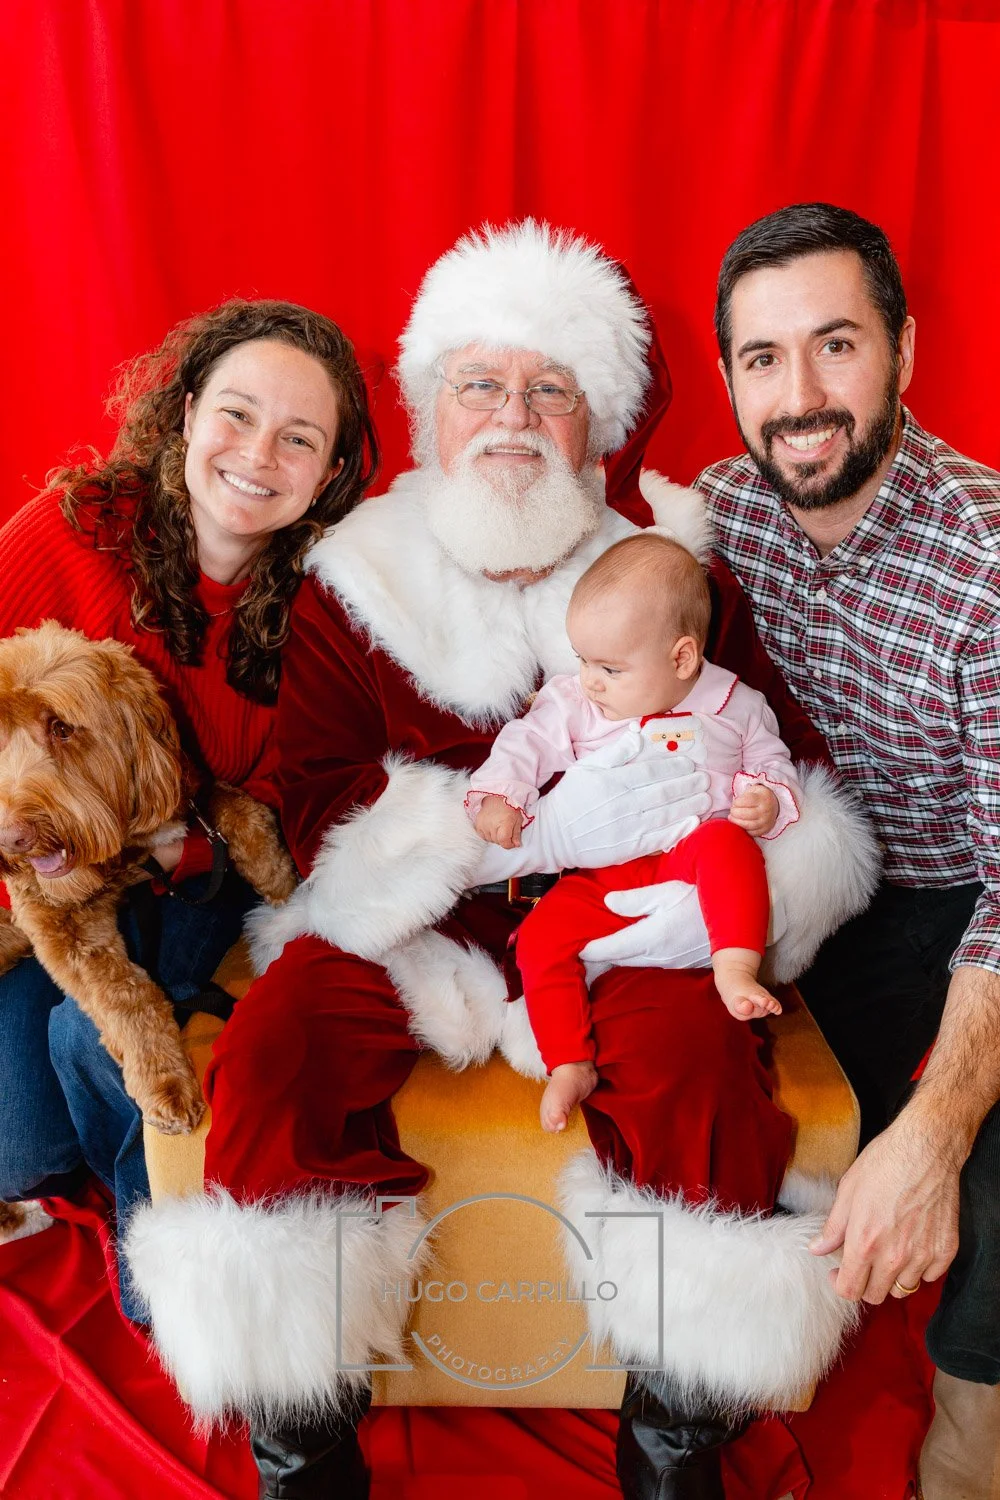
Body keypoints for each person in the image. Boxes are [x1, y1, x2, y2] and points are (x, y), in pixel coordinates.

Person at [124, 222, 877, 1500]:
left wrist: (700, 834)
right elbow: (310, 796)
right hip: (414, 919)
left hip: (629, 915)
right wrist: (461, 834)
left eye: (549, 388)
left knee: (700, 1066)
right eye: (480, 383)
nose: (511, 416)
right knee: (277, 1045)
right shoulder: (351, 576)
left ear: (600, 422)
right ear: (432, 408)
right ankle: (303, 1442)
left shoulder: (673, 568)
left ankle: (672, 1433)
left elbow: (776, 768)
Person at [696, 201, 1000, 1500]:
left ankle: (970, 1452)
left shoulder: (987, 559)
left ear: (905, 350)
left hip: (957, 901)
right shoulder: (712, 517)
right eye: (765, 358)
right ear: (726, 380)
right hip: (789, 891)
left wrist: (936, 1131)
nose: (802, 394)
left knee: (988, 1182)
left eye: (837, 345)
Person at [0, 299, 378, 1315]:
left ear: (332, 472)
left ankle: (165, 1260)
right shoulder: (74, 531)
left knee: (101, 1040)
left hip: (192, 869)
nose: (259, 454)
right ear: (183, 414)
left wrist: (188, 851)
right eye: (237, 414)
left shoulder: (329, 600)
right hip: (37, 880)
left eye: (300, 438)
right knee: (16, 1145)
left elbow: (286, 809)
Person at [469, 531, 796, 1131]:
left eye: (609, 667)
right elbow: (528, 742)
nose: (589, 679)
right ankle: (568, 1060)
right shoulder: (578, 701)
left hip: (691, 862)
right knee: (543, 936)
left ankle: (734, 966)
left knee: (727, 845)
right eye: (582, 660)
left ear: (682, 658)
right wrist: (502, 795)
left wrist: (765, 799)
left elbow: (772, 762)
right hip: (601, 867)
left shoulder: (737, 704)